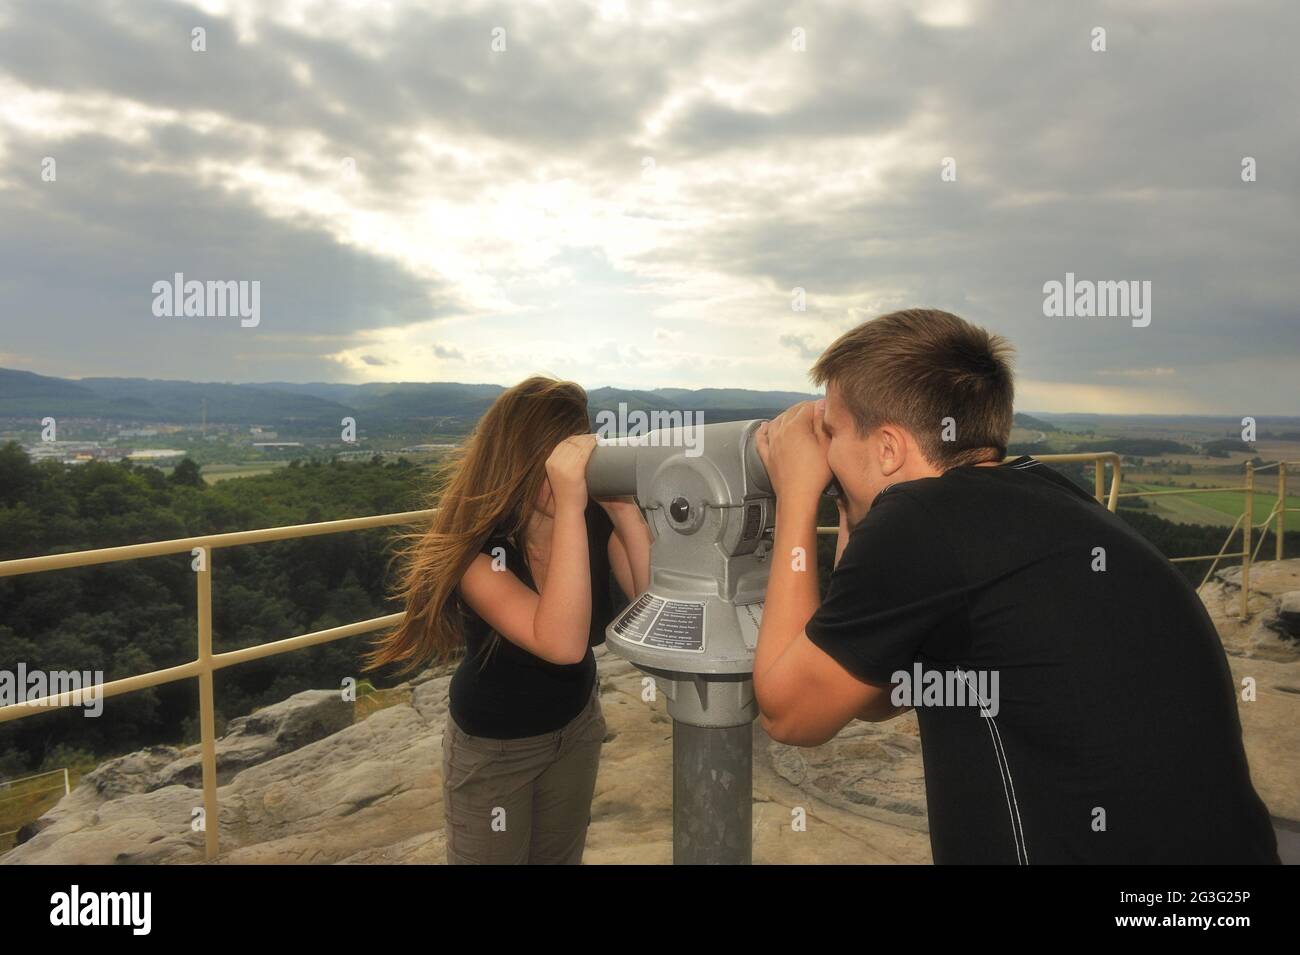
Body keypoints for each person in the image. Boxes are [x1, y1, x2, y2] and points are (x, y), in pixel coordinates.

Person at [752, 308, 1279, 864]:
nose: (823, 451)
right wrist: (850, 500)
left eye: (830, 431)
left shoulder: (924, 522)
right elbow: (873, 692)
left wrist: (795, 495)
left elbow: (791, 715)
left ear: (887, 448)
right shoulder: (1041, 495)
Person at [364, 376, 650, 864]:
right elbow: (560, 642)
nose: (564, 479)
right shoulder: (479, 553)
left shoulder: (594, 522)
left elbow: (655, 600)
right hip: (496, 749)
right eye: (552, 464)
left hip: (576, 727)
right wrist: (572, 506)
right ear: (517, 463)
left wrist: (623, 509)